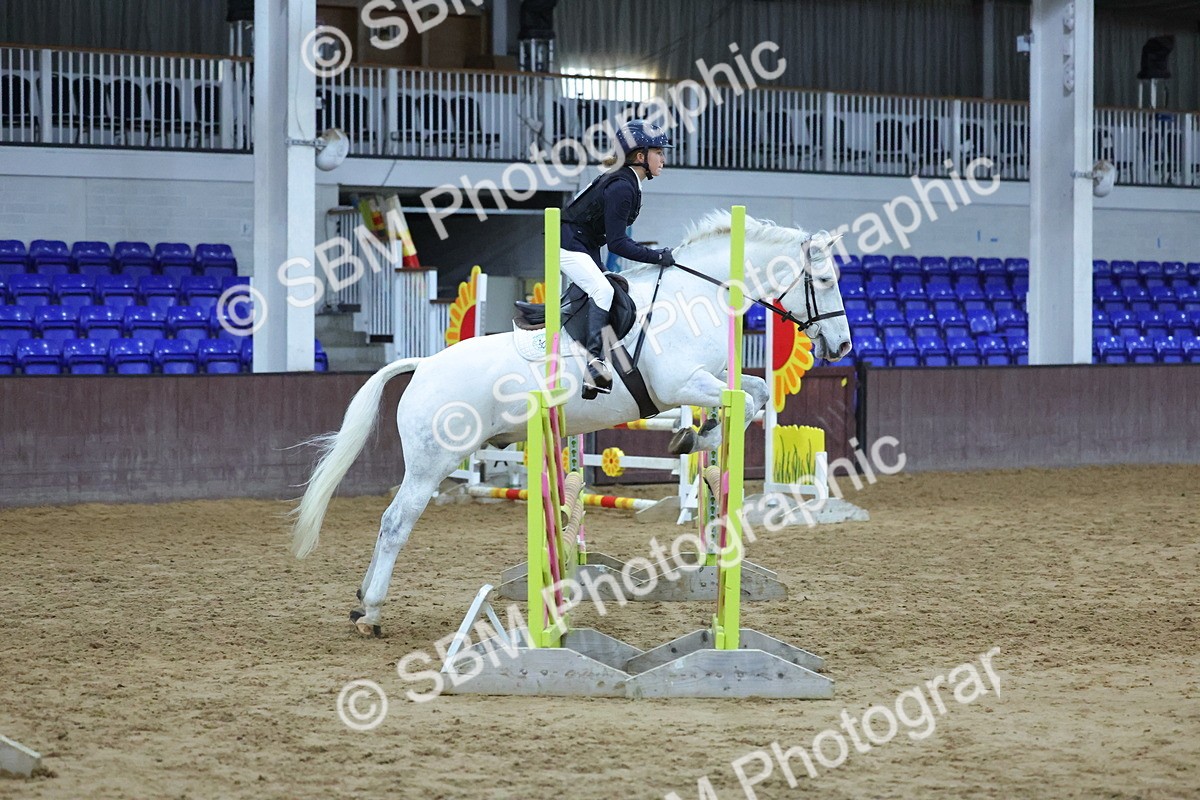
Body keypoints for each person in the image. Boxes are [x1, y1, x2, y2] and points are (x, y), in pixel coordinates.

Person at [560, 119, 675, 397]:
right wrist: (658, 256)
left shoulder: (629, 181)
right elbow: (618, 244)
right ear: (640, 156)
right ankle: (594, 364)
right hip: (567, 244)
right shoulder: (623, 187)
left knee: (613, 289)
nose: (663, 159)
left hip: (585, 245)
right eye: (658, 153)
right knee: (603, 290)